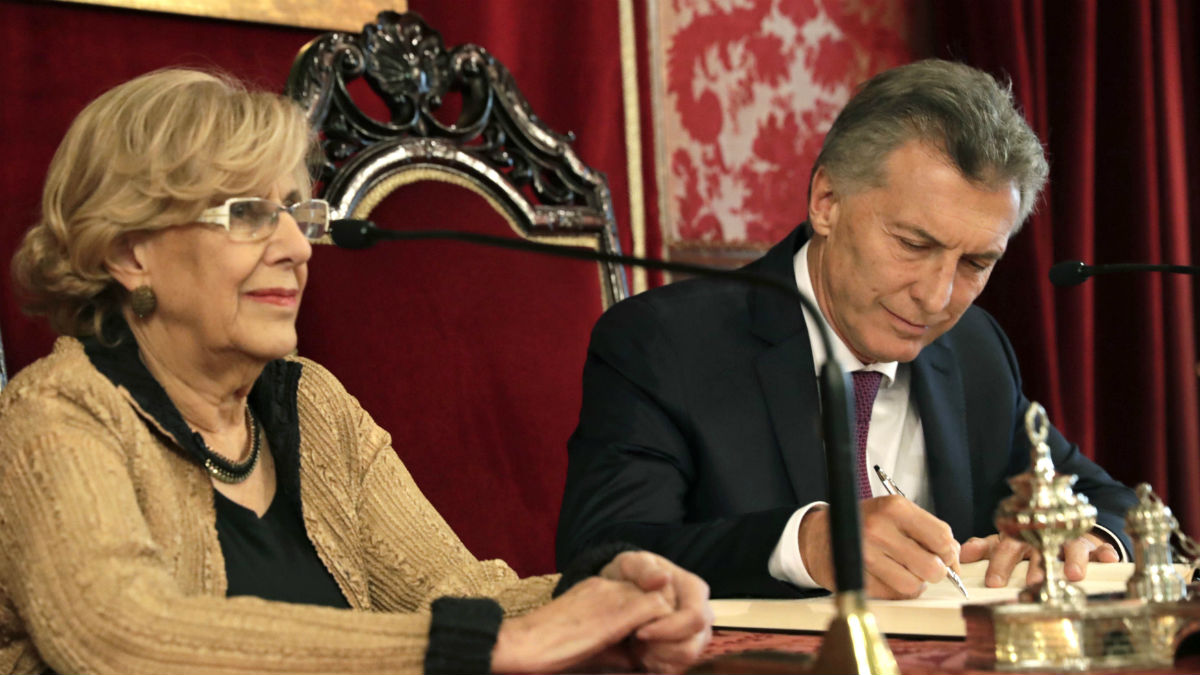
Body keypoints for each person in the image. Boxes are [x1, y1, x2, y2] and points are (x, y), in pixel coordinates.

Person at [0, 68, 712, 675]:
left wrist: (608, 598)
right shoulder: (55, 414)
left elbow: (453, 591)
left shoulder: (309, 403)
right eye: (249, 213)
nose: (296, 246)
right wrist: (489, 644)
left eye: (295, 211)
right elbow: (123, 636)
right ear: (130, 254)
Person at [556, 59, 1138, 600]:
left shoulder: (975, 348)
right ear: (827, 200)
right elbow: (599, 555)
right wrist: (802, 545)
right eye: (913, 244)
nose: (936, 298)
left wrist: (1088, 541)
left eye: (975, 264)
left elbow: (1110, 501)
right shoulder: (666, 343)